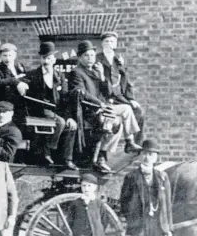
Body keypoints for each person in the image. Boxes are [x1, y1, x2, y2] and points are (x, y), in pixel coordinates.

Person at [70, 40, 140, 172]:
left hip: (102, 108)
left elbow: (108, 92)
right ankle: (101, 156)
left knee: (126, 109)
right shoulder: (77, 72)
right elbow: (82, 93)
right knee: (115, 121)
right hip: (88, 111)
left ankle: (129, 141)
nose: (90, 58)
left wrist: (102, 76)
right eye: (86, 55)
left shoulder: (96, 71)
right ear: (79, 57)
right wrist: (100, 104)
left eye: (92, 55)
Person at [23, 42, 77, 168]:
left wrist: (68, 116)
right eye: (44, 58)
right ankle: (48, 150)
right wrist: (21, 84)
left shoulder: (60, 75)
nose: (46, 61)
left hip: (57, 109)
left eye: (49, 58)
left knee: (71, 125)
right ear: (40, 58)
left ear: (54, 60)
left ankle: (67, 159)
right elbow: (23, 84)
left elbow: (65, 97)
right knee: (60, 123)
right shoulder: (32, 75)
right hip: (40, 109)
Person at [97, 31, 144, 142]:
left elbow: (125, 81)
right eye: (106, 41)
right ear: (102, 44)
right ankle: (128, 141)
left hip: (119, 97)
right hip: (104, 97)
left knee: (139, 111)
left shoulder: (118, 60)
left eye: (112, 41)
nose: (109, 44)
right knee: (115, 120)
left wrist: (130, 98)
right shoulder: (97, 59)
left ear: (116, 44)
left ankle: (137, 144)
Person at [0, 43, 28, 127]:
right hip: (6, 105)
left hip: (20, 104)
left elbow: (26, 78)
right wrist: (15, 81)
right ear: (0, 56)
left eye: (10, 55)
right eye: (5, 55)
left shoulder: (19, 67)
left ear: (15, 55)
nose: (8, 58)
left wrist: (21, 81)